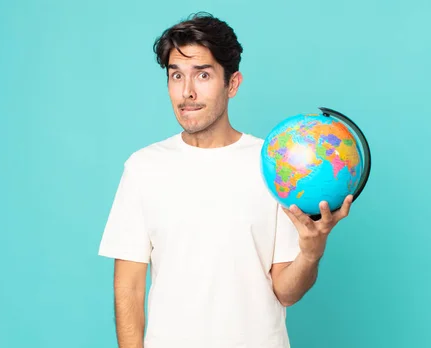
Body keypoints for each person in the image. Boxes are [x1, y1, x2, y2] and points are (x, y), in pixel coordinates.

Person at [98, 12, 353, 348]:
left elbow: (286, 292)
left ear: (232, 83)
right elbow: (128, 289)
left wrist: (310, 253)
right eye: (176, 76)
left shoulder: (274, 166)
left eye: (202, 74)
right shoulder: (143, 168)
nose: (187, 92)